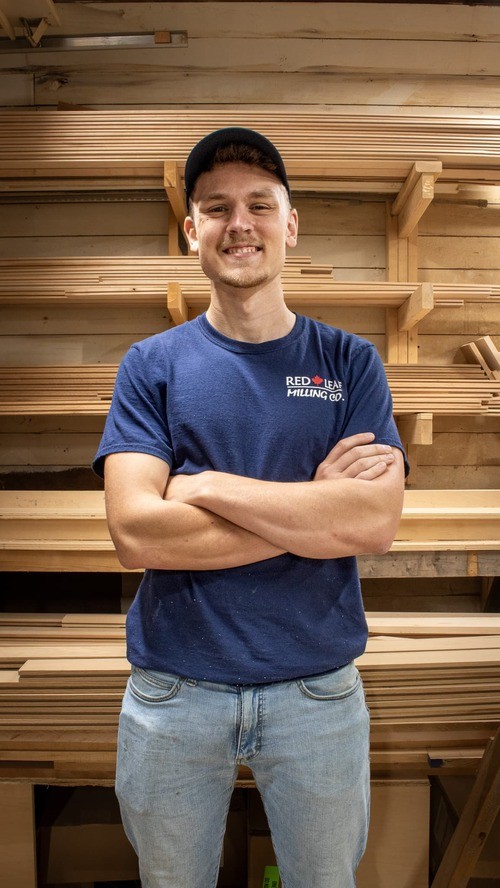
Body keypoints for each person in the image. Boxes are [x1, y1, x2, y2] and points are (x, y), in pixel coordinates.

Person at [93, 126, 408, 888]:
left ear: (290, 224)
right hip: (175, 691)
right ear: (191, 228)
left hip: (316, 693)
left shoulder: (348, 362)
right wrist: (313, 515)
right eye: (217, 207)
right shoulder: (152, 366)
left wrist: (202, 487)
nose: (241, 224)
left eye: (260, 206)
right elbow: (136, 532)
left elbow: (372, 524)